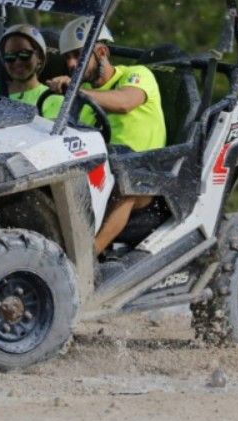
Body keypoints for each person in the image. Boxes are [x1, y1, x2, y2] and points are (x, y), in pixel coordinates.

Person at [45, 17, 166, 255]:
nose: (71, 64)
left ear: (101, 51)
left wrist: (74, 91)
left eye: (78, 55)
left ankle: (88, 258)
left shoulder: (135, 75)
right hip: (102, 171)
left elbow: (124, 102)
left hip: (146, 173)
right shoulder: (83, 96)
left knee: (126, 183)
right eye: (67, 57)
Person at [0, 24, 62, 119]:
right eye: (10, 57)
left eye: (24, 55)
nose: (18, 62)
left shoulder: (52, 98)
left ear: (39, 57)